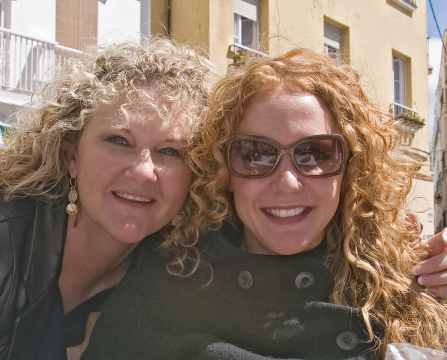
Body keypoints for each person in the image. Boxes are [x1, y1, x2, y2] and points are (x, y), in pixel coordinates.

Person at [83, 47, 447, 360]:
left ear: (351, 168)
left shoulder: (410, 291)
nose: (288, 182)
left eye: (316, 153)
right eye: (256, 153)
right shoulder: (156, 299)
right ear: (224, 171)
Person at [0, 38, 217, 360]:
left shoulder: (177, 278)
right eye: (119, 140)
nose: (143, 172)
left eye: (170, 151)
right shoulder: (4, 240)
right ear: (72, 154)